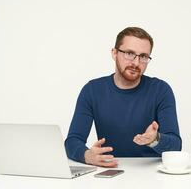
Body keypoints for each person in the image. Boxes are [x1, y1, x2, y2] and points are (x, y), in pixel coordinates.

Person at [65, 27, 181, 167]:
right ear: (114, 53)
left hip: (152, 173)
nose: (136, 63)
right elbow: (72, 141)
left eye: (143, 56)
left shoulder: (161, 90)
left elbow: (176, 145)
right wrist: (87, 156)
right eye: (129, 53)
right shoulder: (92, 90)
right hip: (110, 170)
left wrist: (155, 139)